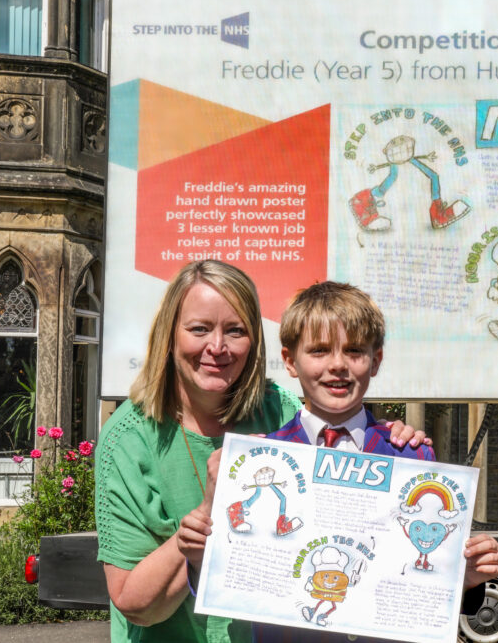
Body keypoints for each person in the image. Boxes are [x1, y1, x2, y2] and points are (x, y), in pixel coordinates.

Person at [95, 261, 427, 643]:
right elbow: (134, 603)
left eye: (235, 331)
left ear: (255, 341)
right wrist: (209, 512)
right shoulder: (128, 436)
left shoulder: (280, 410)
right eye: (199, 329)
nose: (217, 347)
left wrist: (390, 441)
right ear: (169, 335)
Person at [178, 280, 498, 642]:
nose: (337, 365)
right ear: (290, 361)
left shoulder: (410, 456)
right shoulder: (261, 459)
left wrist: (467, 576)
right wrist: (199, 556)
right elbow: (230, 577)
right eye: (319, 351)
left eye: (353, 351)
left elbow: (421, 584)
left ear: (375, 360)